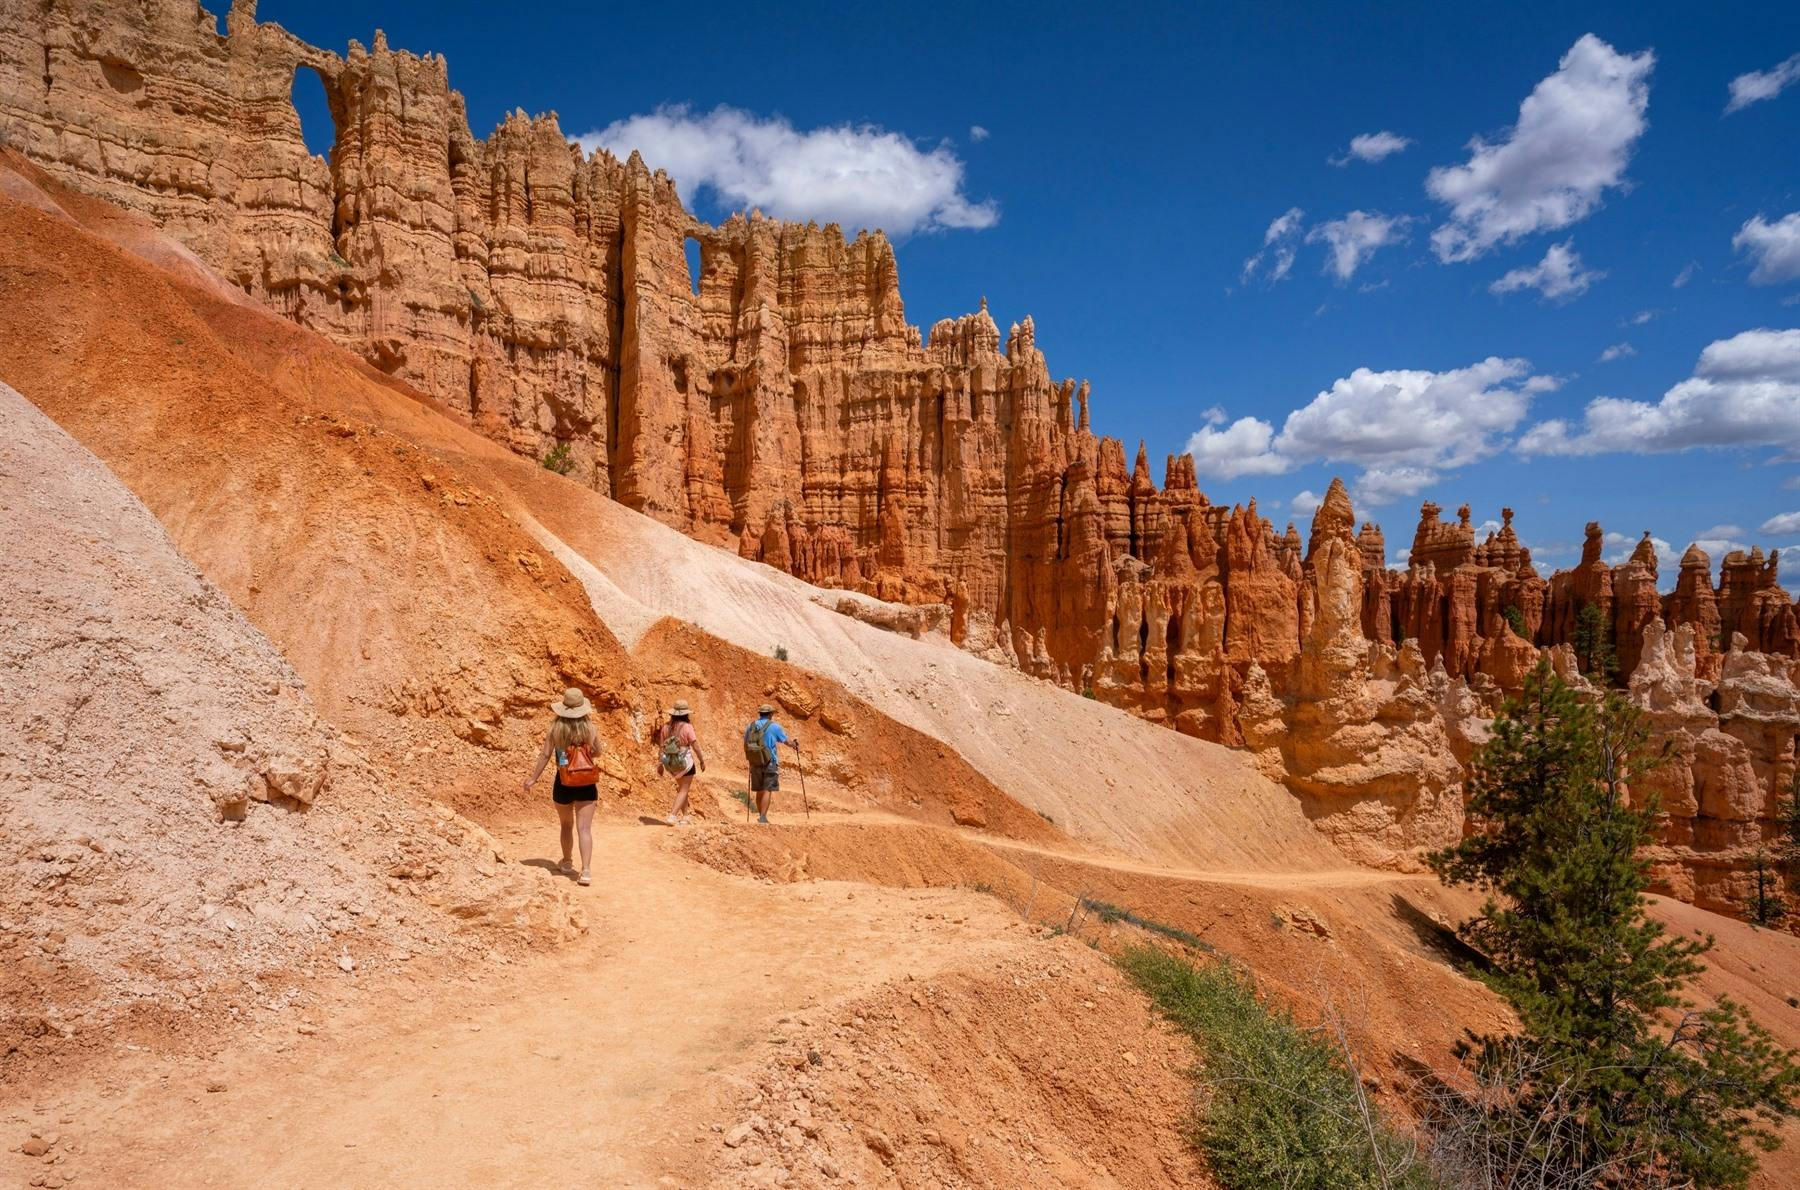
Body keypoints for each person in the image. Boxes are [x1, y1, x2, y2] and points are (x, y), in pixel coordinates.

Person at [522, 688, 602, 886]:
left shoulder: (555, 729)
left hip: (563, 781)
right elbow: (597, 752)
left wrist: (533, 778)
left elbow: (545, 755)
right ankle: (585, 871)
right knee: (584, 828)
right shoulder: (590, 728)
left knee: (566, 825)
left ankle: (566, 863)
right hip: (586, 782)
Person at [742, 703, 800, 825]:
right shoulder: (774, 727)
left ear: (760, 713)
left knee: (759, 790)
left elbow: (746, 743)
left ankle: (760, 815)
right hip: (770, 762)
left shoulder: (750, 726)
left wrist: (751, 759)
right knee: (767, 789)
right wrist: (794, 744)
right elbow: (786, 741)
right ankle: (763, 817)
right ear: (770, 714)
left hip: (755, 762)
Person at [653, 699, 705, 825]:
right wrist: (702, 760)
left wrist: (660, 763)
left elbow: (661, 747)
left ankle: (685, 816)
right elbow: (695, 746)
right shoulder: (687, 727)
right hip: (685, 762)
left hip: (670, 763)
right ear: (686, 714)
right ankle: (672, 815)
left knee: (682, 789)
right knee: (684, 790)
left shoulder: (666, 727)